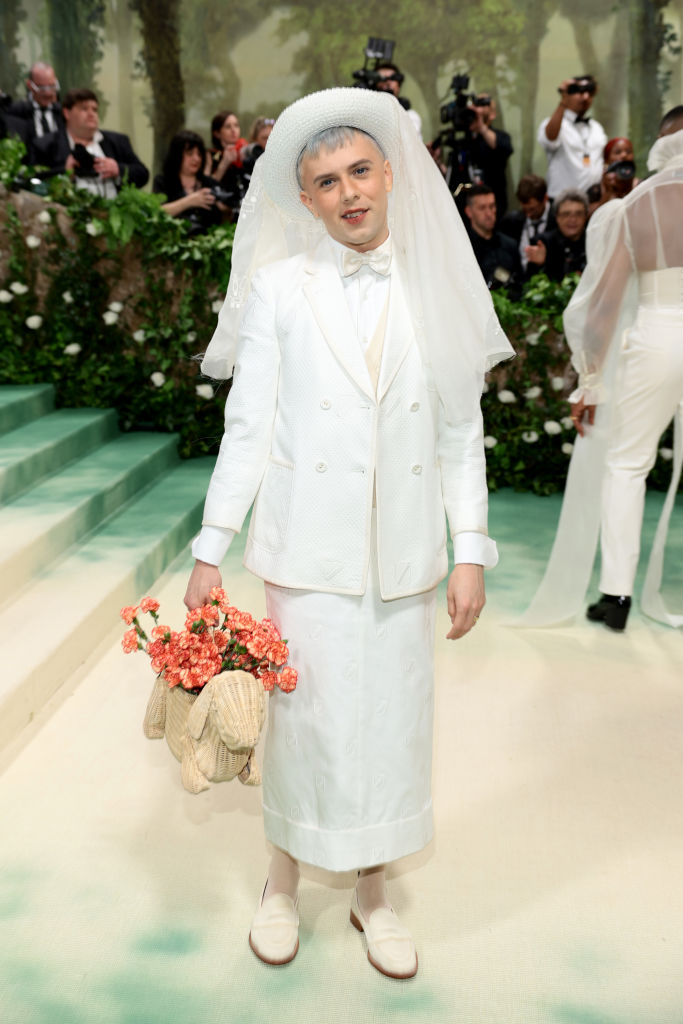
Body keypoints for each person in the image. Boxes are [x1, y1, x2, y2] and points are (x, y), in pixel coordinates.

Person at [184, 88, 512, 977]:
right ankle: (281, 881)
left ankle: (373, 893)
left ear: (390, 174)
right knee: (305, 720)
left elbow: (458, 433)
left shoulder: (439, 286)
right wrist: (211, 547)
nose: (347, 192)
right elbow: (248, 428)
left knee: (393, 721)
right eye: (326, 182)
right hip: (306, 547)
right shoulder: (277, 290)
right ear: (306, 200)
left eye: (359, 171)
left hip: (403, 551)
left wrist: (470, 550)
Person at [519, 106, 683, 631]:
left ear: (661, 144)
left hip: (657, 336)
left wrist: (590, 382)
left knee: (627, 466)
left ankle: (616, 596)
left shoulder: (635, 206)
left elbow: (604, 305)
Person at [32, 87, 148, 196]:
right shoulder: (45, 145)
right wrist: (65, 173)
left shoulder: (118, 141)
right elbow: (33, 183)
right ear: (67, 113)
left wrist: (118, 169)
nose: (91, 114)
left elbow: (143, 174)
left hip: (115, 208)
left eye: (95, 109)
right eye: (84, 109)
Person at [537, 74, 607, 197]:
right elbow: (550, 139)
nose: (585, 97)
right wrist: (562, 103)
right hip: (563, 200)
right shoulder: (555, 124)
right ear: (568, 94)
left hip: (593, 200)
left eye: (590, 93)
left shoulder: (596, 127)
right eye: (580, 91)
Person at [153, 130, 223, 234]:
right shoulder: (163, 181)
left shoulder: (209, 183)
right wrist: (190, 201)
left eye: (199, 154)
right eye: (190, 154)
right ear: (177, 155)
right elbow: (158, 212)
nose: (196, 159)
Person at [464, 183, 521, 295]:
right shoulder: (465, 248)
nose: (489, 213)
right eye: (482, 208)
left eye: (492, 206)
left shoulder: (510, 244)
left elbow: (520, 283)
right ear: (469, 212)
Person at [467, 93, 513, 219]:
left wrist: (481, 127)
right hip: (465, 208)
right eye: (476, 105)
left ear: (493, 114)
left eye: (483, 105)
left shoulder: (501, 137)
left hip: (495, 208)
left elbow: (503, 149)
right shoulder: (465, 141)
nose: (477, 109)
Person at [525, 188, 588, 282]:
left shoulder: (594, 242)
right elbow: (527, 284)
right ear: (557, 217)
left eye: (578, 214)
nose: (573, 219)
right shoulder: (543, 243)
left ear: (586, 216)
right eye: (566, 214)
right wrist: (539, 265)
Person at [500, 174, 557, 274]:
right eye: (524, 210)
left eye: (532, 209)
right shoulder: (511, 222)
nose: (528, 214)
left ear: (545, 199)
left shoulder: (559, 220)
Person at [6, 62, 64, 158]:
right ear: (30, 85)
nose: (48, 93)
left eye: (52, 86)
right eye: (41, 88)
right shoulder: (17, 112)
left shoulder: (64, 112)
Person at [206, 109, 248, 212]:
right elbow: (205, 186)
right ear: (217, 133)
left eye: (236, 125)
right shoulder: (211, 155)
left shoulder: (245, 151)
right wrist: (224, 163)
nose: (233, 130)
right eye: (228, 127)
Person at [376, 61, 422, 139]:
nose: (387, 82)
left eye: (392, 78)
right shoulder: (366, 113)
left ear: (399, 86)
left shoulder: (410, 115)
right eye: (381, 78)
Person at [598, 136, 639, 205]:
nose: (624, 155)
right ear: (606, 159)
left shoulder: (641, 186)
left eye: (628, 152)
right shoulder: (597, 190)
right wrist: (608, 192)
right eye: (618, 152)